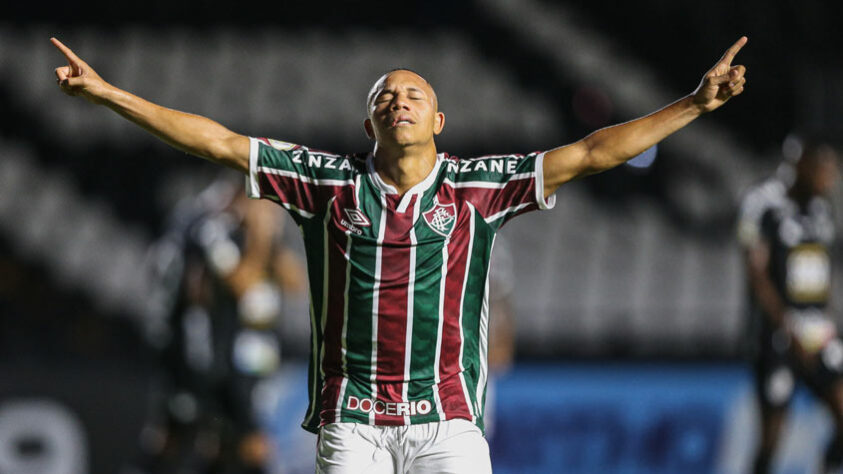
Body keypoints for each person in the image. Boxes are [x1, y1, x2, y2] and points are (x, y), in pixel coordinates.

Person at [51, 35, 747, 473]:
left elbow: (593, 152)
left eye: (413, 93)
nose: (398, 100)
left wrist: (690, 104)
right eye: (385, 95)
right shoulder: (325, 183)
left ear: (438, 121)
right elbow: (219, 142)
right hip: (353, 422)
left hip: (446, 422)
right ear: (369, 121)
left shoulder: (480, 186)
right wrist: (110, 94)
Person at [138, 174, 303, 474]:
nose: (274, 212)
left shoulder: (255, 239)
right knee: (239, 443)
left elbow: (295, 282)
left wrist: (270, 240)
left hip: (254, 355)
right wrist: (261, 237)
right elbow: (243, 284)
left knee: (218, 443)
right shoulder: (218, 232)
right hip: (218, 355)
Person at [738, 139, 842, 474]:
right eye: (824, 169)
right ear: (803, 166)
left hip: (816, 328)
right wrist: (786, 325)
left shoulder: (821, 210)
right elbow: (756, 273)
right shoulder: (765, 203)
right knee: (772, 438)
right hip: (777, 334)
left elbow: (820, 275)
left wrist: (826, 322)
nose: (831, 178)